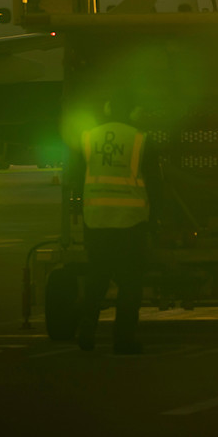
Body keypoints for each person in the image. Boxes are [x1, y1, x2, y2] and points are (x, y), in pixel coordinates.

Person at [77, 100, 151, 353]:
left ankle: (86, 333)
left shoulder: (89, 137)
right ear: (131, 110)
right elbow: (153, 180)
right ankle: (123, 340)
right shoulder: (138, 138)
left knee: (97, 280)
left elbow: (79, 175)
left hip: (96, 219)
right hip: (129, 220)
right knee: (130, 284)